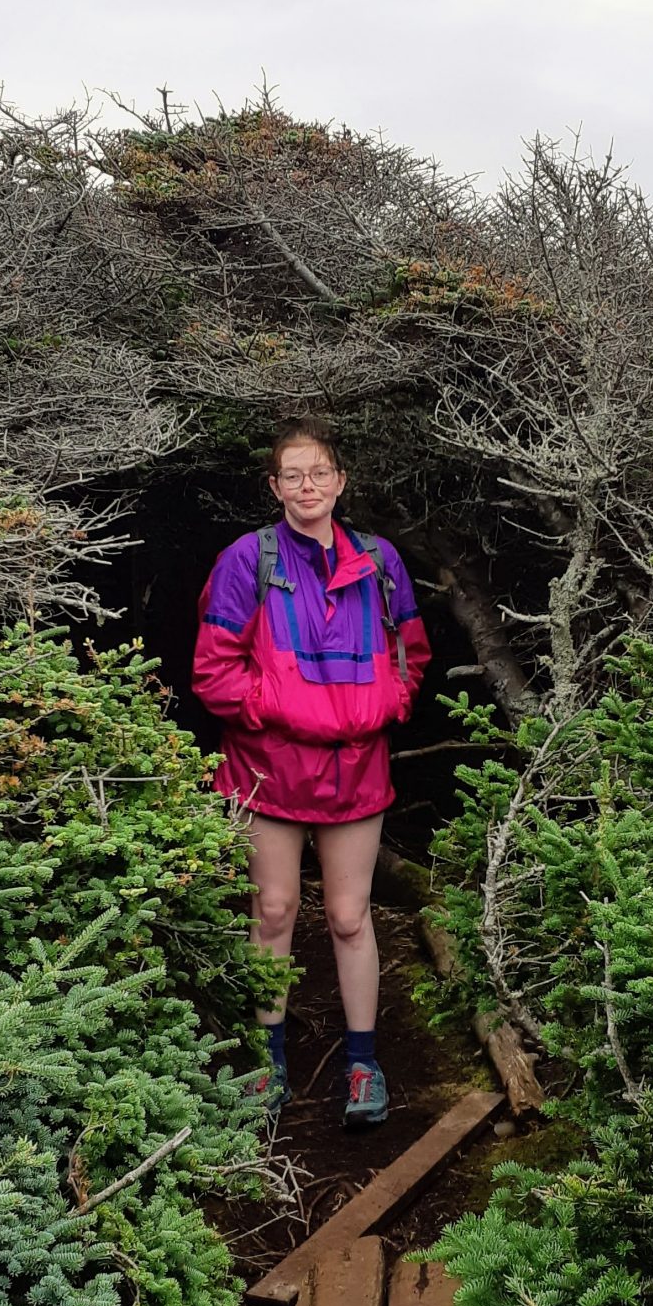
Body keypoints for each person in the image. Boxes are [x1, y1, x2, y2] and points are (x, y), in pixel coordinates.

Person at [192, 417, 430, 1126]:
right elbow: (212, 670)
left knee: (351, 917)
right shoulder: (248, 559)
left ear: (340, 482)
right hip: (268, 769)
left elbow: (410, 654)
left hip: (357, 770)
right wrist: (279, 704)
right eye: (292, 475)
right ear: (274, 486)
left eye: (318, 473)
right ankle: (267, 1065)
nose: (307, 487)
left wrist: (386, 700)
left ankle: (363, 1063)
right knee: (273, 911)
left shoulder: (380, 560)